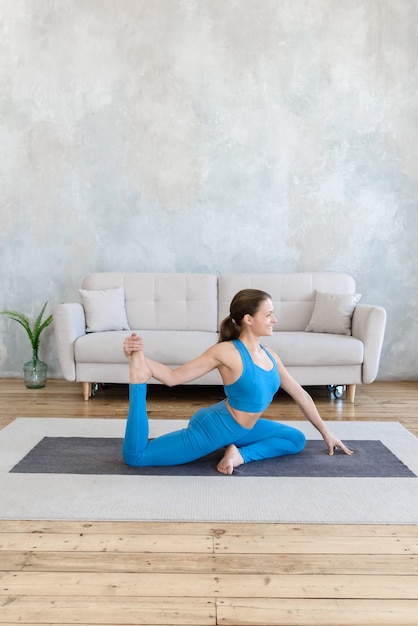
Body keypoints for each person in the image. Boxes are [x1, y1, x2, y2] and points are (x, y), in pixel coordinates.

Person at [122, 288, 353, 474]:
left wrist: (325, 432)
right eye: (269, 314)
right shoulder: (226, 352)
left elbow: (301, 395)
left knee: (294, 439)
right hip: (214, 429)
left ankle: (238, 455)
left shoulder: (270, 355)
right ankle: (138, 380)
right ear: (249, 319)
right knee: (136, 457)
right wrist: (142, 362)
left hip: (242, 430)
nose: (275, 319)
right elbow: (174, 378)